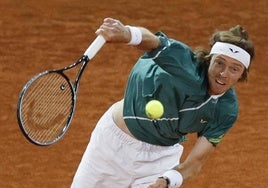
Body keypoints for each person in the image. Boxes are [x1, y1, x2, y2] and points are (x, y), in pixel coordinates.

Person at [71, 17, 255, 188]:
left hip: (160, 159)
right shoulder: (185, 65)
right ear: (209, 60)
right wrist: (127, 33)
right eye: (219, 63)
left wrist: (168, 179)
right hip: (111, 147)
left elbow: (195, 162)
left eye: (234, 69)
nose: (224, 73)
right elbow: (152, 41)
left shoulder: (226, 110)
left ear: (242, 75)